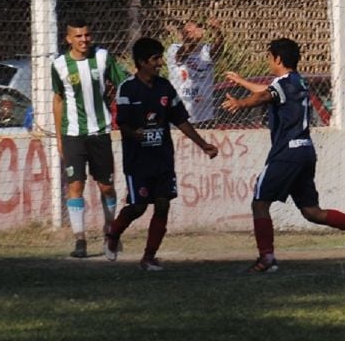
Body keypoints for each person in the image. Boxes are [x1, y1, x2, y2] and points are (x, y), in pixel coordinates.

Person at [221, 38, 345, 273]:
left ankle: (267, 259)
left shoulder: (284, 84)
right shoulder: (297, 82)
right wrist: (242, 82)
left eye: (269, 57)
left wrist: (241, 104)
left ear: (277, 58)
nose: (268, 61)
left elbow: (264, 96)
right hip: (305, 150)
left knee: (260, 203)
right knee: (311, 212)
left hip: (287, 153)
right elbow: (268, 91)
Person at [104, 37, 218, 270]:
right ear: (142, 62)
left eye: (159, 58)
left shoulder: (165, 87)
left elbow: (181, 120)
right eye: (155, 59)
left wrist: (203, 144)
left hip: (163, 159)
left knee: (163, 204)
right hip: (138, 162)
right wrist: (134, 133)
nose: (159, 64)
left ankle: (148, 257)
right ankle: (113, 233)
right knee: (138, 207)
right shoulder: (127, 88)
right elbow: (121, 122)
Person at [52, 18, 128, 258]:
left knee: (106, 187)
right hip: (73, 134)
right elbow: (58, 101)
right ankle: (80, 240)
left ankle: (110, 232)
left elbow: (123, 83)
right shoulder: (59, 65)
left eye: (87, 35)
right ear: (68, 39)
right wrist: (59, 138)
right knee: (75, 186)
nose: (84, 40)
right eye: (78, 36)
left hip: (100, 132)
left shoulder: (103, 57)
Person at [165, 18, 224, 124]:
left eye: (197, 27)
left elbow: (219, 49)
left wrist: (217, 31)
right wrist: (192, 40)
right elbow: (181, 56)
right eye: (189, 28)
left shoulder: (206, 49)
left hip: (205, 115)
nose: (195, 30)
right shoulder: (174, 48)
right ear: (182, 33)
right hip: (179, 114)